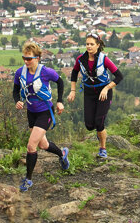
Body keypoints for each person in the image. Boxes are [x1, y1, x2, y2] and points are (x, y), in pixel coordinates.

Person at [13, 41, 69, 192]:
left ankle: (28, 180)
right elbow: (16, 90)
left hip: (45, 111)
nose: (26, 61)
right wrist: (17, 101)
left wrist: (60, 101)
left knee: (31, 146)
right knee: (43, 145)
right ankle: (62, 153)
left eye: (29, 58)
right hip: (31, 112)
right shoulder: (20, 72)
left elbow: (60, 82)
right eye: (24, 58)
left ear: (37, 58)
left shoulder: (46, 72)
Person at [68, 33, 124, 158]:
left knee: (99, 123)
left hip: (103, 92)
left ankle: (103, 148)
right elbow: (74, 73)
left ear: (98, 45)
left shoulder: (104, 59)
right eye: (87, 44)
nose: (89, 47)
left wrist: (107, 88)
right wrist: (73, 90)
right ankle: (100, 133)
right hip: (88, 93)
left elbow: (119, 76)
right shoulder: (80, 59)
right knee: (89, 126)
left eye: (92, 44)